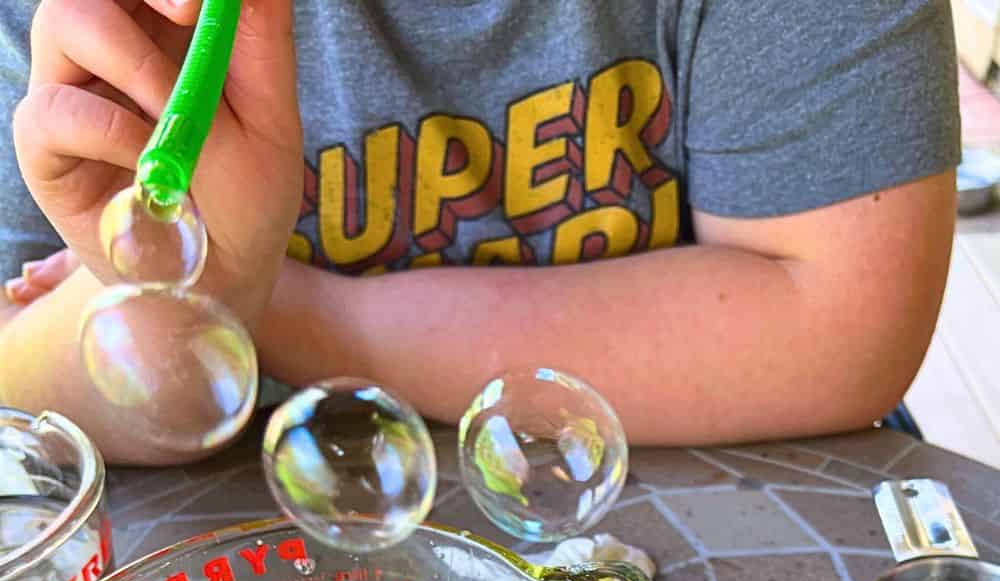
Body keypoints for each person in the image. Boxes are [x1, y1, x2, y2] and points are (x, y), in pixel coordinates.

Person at [0, 0, 960, 465]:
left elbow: (842, 332)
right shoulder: (89, 22)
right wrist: (194, 284)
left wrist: (263, 299)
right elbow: (21, 402)